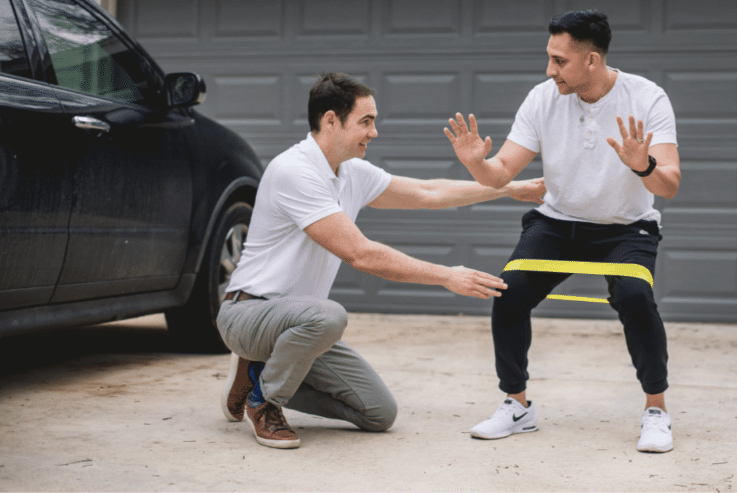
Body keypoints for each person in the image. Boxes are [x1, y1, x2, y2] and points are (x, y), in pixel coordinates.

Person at [218, 72, 546, 449]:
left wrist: (510, 188)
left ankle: (256, 376)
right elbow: (361, 254)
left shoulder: (350, 171)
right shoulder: (295, 171)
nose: (374, 132)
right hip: (248, 314)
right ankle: (265, 402)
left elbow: (428, 192)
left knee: (377, 413)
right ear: (330, 121)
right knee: (328, 315)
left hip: (296, 326)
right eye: (366, 121)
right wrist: (446, 275)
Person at [444, 10, 680, 453]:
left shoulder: (647, 98)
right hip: (557, 222)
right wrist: (475, 161)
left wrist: (641, 164)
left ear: (591, 61)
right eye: (549, 58)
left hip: (626, 228)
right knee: (508, 291)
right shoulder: (542, 98)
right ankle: (517, 405)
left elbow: (669, 183)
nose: (550, 69)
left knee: (634, 297)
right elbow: (500, 175)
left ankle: (656, 410)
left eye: (559, 60)